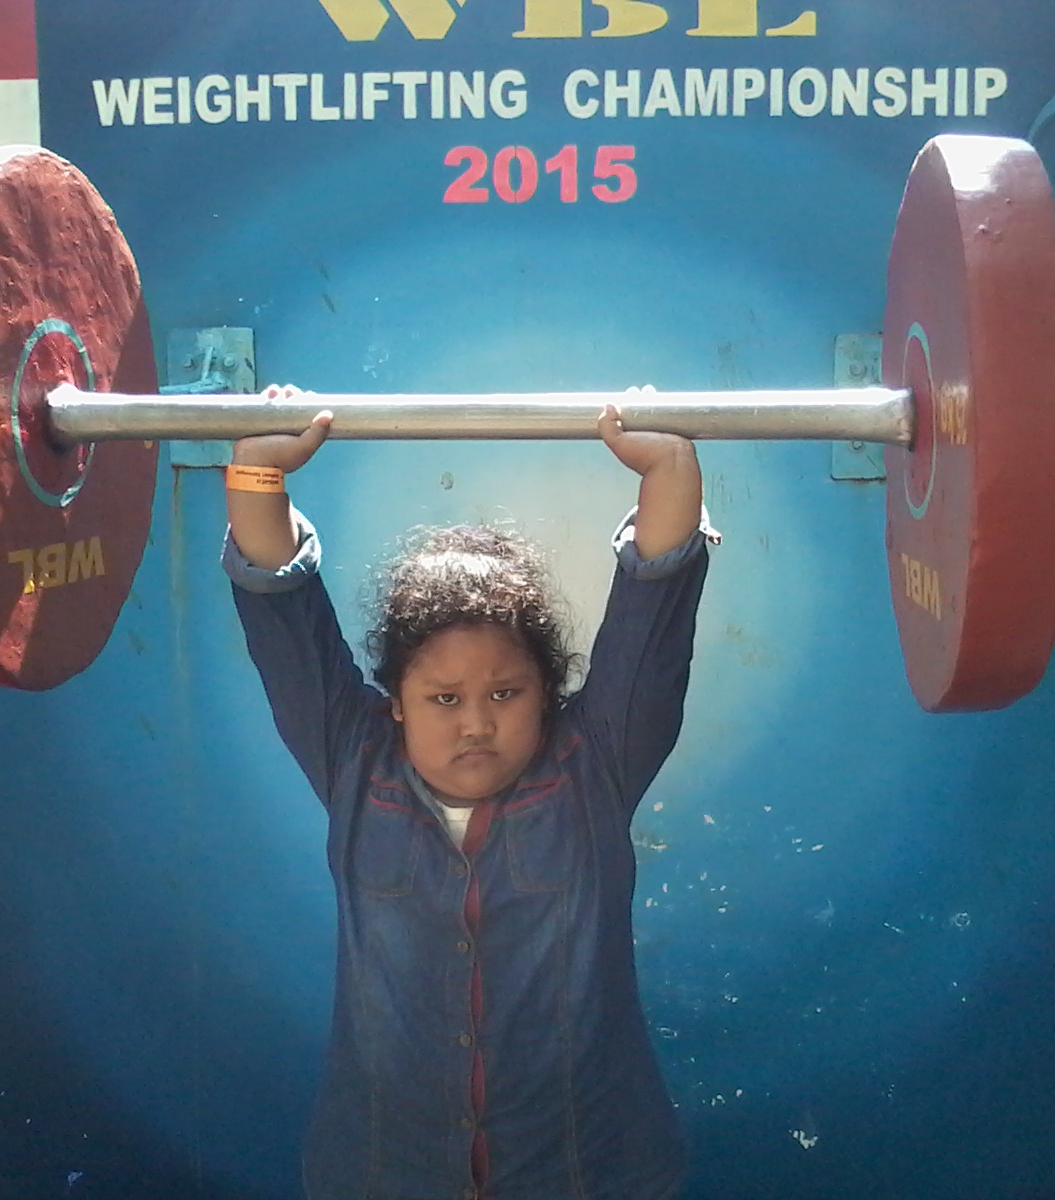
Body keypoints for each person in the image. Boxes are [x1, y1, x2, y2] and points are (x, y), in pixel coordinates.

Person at [223, 397, 714, 1200]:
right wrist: (256, 469)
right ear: (396, 703)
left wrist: (667, 464)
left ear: (548, 695)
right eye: (444, 699)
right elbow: (280, 607)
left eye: (506, 693)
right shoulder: (355, 762)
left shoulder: (594, 765)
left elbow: (654, 612)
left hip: (585, 1175)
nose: (477, 723)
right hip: (384, 1175)